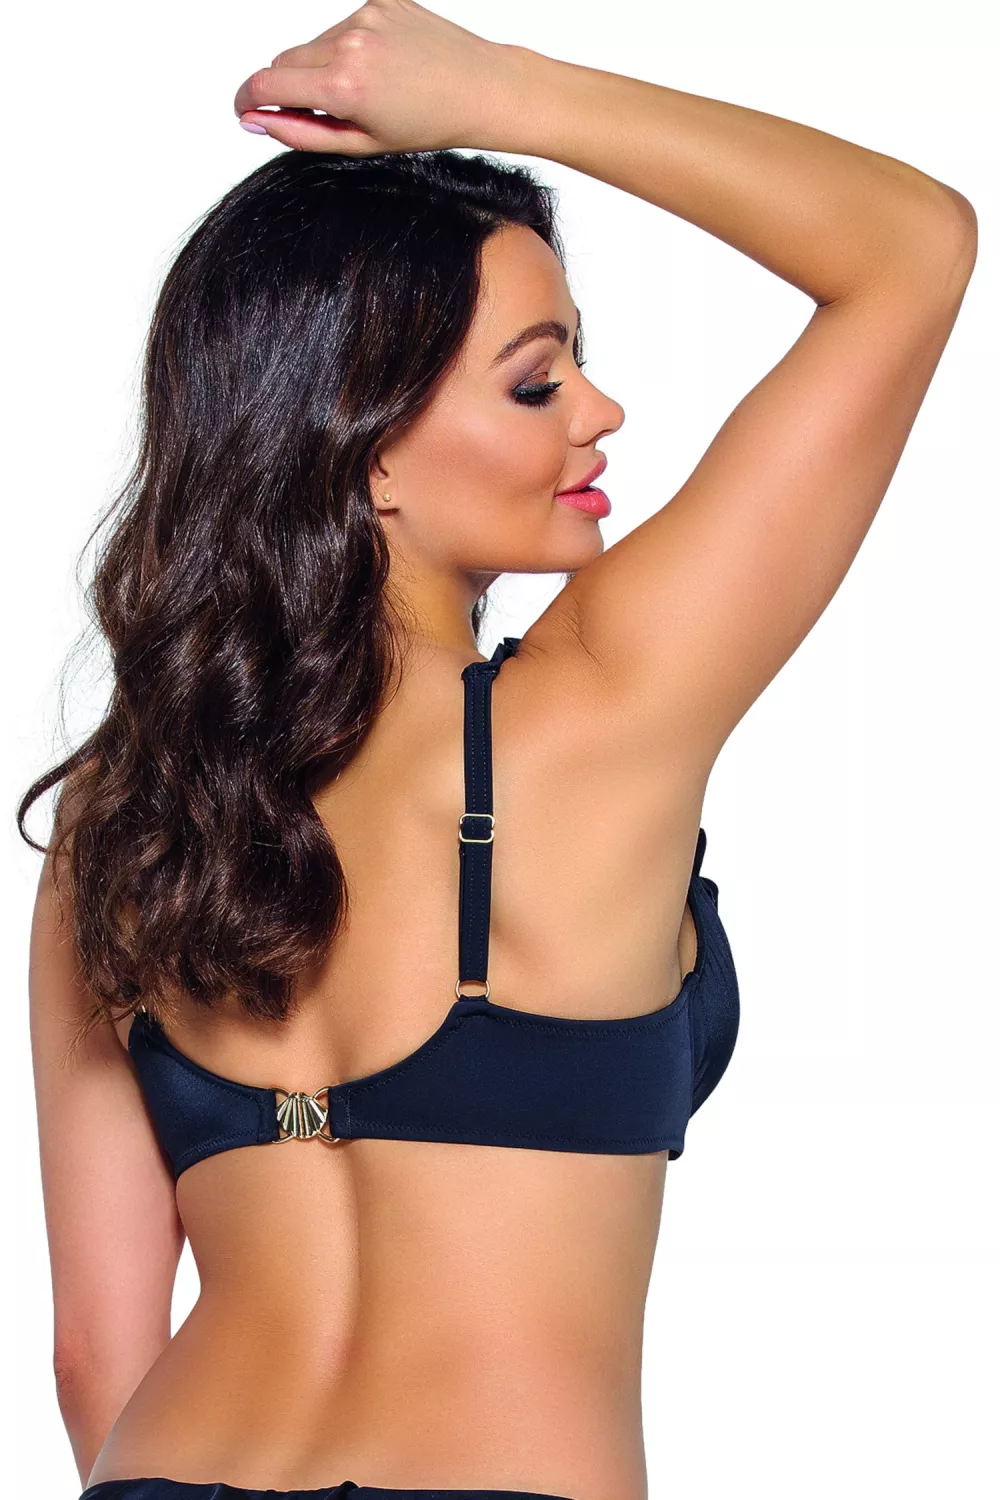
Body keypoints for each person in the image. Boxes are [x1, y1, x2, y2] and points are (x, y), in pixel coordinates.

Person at [21, 3, 977, 1499]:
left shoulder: (129, 809)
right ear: (365, 448)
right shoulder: (602, 706)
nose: (601, 411)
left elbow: (96, 1351)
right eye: (537, 381)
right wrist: (498, 93)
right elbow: (911, 248)